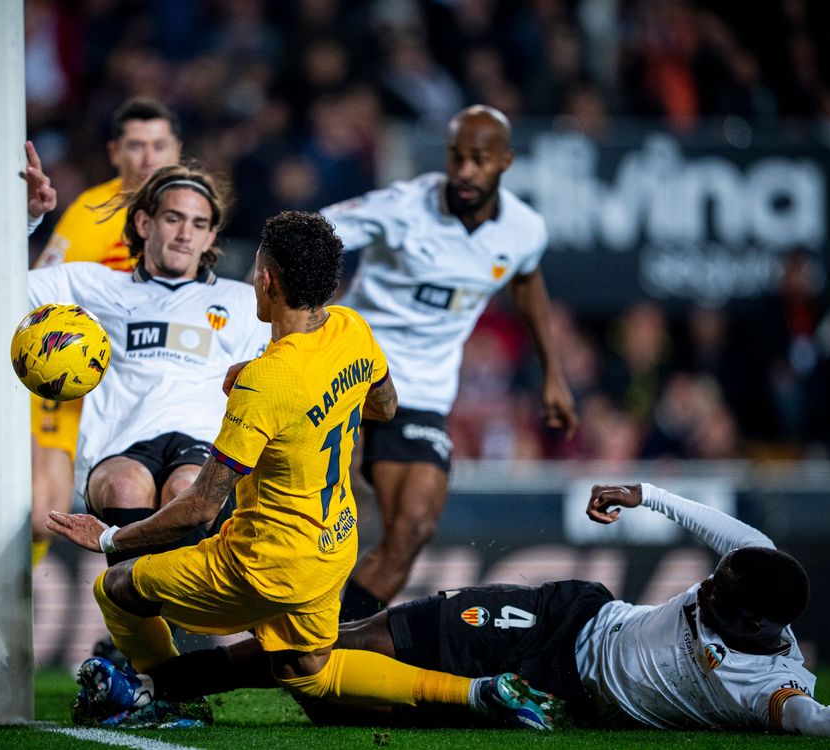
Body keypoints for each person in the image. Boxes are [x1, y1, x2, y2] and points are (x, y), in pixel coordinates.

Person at [46, 210, 564, 733]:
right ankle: (478, 692)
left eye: (257, 269)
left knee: (117, 587)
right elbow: (385, 404)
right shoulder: (350, 328)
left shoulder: (268, 381)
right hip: (333, 545)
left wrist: (111, 537)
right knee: (307, 670)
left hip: (264, 564)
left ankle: (163, 698)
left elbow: (201, 506)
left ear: (267, 281)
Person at [85, 483, 830, 738]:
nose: (703, 589)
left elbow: (820, 720)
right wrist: (641, 495)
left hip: (561, 697)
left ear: (758, 626)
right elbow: (713, 525)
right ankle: (170, 686)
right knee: (356, 639)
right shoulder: (752, 567)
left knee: (334, 708)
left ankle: (174, 690)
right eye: (712, 580)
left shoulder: (768, 688)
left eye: (718, 597)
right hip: (565, 621)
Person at [318, 104, 578, 621]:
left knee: (413, 529)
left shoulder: (524, 230)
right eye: (457, 157)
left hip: (422, 392)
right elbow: (313, 233)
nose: (464, 171)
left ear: (505, 161)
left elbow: (527, 282)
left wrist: (553, 372)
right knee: (325, 519)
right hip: (350, 370)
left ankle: (334, 640)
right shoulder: (403, 206)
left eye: (479, 160)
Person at [22, 98, 182, 565]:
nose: (148, 157)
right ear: (115, 152)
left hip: (153, 380)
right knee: (42, 514)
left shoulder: (189, 213)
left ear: (177, 149)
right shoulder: (93, 212)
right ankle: (12, 598)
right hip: (79, 376)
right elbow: (38, 294)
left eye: (159, 145)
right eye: (136, 145)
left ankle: (146, 600)